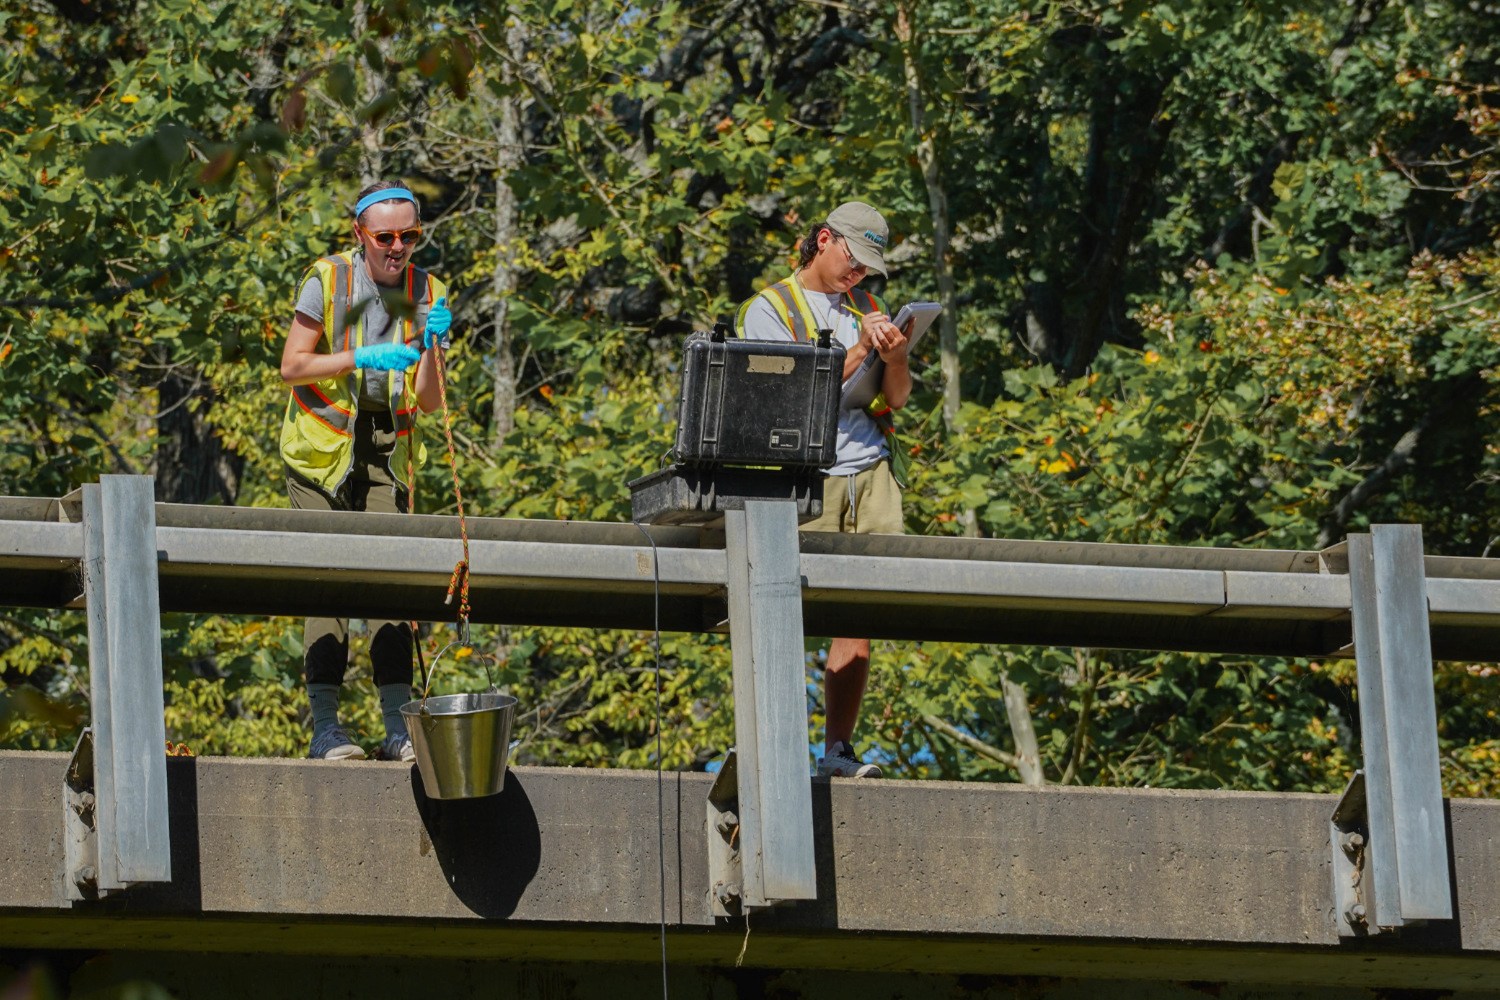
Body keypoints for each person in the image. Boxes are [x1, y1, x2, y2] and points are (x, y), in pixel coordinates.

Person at [278, 181, 452, 762]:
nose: (398, 247)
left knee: (389, 581)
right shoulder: (327, 280)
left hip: (386, 448)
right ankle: (325, 728)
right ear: (360, 234)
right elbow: (292, 366)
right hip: (321, 450)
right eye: (385, 237)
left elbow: (430, 401)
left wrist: (432, 346)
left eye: (410, 235)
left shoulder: (428, 291)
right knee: (327, 579)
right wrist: (360, 357)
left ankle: (398, 728)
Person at [736, 201, 911, 778]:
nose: (856, 274)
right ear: (823, 240)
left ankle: (837, 750)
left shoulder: (869, 307)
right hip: (805, 477)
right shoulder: (769, 309)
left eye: (866, 268)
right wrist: (859, 350)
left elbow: (896, 398)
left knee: (859, 614)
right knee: (782, 609)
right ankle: (775, 750)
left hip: (871, 472)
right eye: (852, 260)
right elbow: (784, 401)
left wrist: (896, 357)